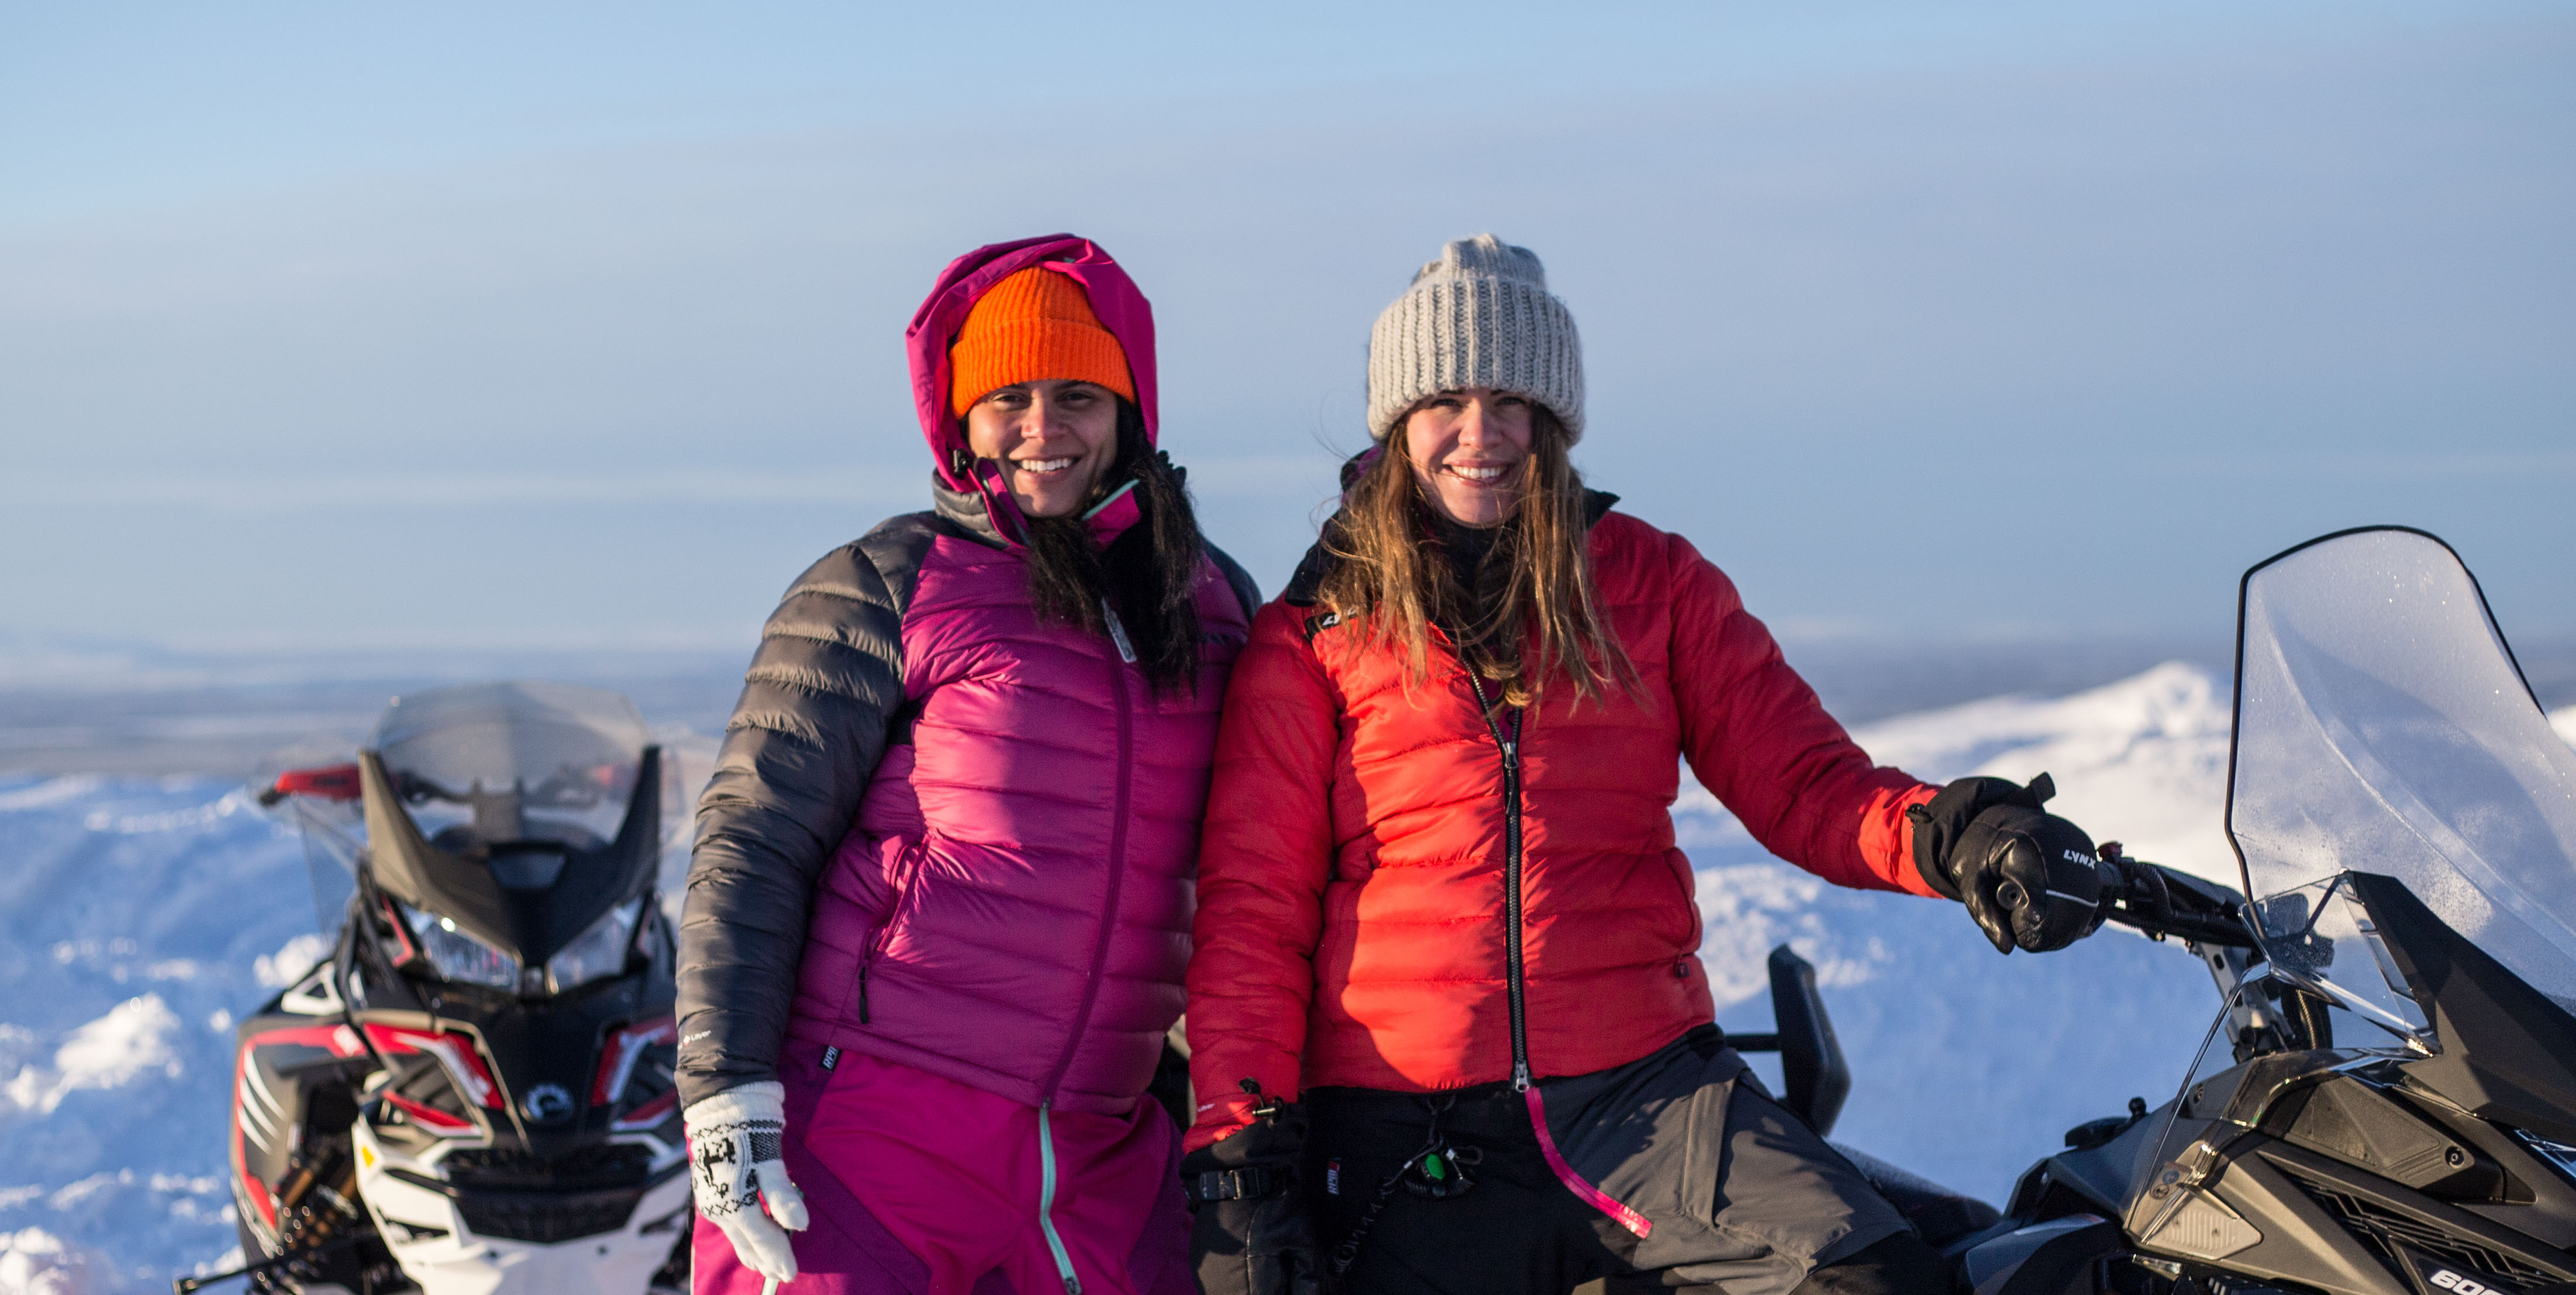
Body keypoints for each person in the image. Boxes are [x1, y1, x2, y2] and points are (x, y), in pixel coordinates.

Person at [1180, 236, 2103, 1295]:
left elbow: (1805, 783)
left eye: (1511, 401)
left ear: (1554, 422)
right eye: (1445, 402)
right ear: (1397, 426)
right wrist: (1239, 1156)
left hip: (1651, 1096)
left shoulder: (1653, 583)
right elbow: (1255, 912)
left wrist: (1960, 834)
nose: (1480, 435)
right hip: (1404, 1124)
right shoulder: (1314, 631)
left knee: (1879, 1278)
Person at [677, 235, 1260, 1295]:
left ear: (1130, 408)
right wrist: (725, 1095)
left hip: (1097, 1148)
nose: (1045, 429)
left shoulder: (1207, 601)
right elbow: (752, 843)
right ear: (959, 417)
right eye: (1010, 398)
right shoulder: (887, 585)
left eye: (1078, 394)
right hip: (866, 1135)